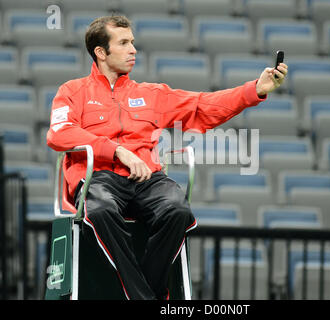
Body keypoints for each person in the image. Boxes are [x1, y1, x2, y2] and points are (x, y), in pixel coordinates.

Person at [46, 15, 288, 300]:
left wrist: (255, 90)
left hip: (147, 179)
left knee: (178, 210)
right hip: (99, 178)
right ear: (101, 52)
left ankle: (140, 294)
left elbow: (204, 106)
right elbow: (59, 134)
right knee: (100, 211)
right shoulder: (73, 92)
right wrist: (116, 150)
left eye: (133, 42)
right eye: (123, 43)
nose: (133, 49)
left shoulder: (152, 94)